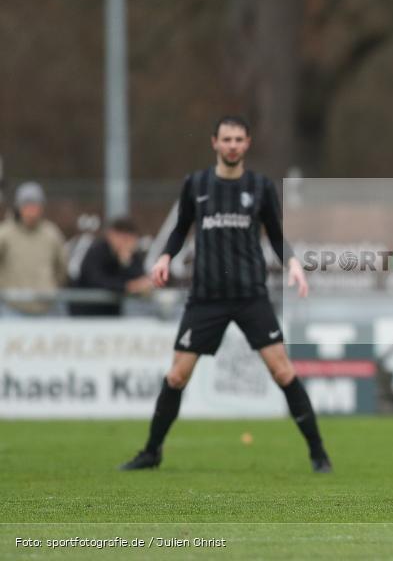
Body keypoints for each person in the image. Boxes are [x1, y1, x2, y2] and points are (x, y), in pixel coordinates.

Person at [120, 115, 331, 473]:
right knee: (176, 377)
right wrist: (165, 257)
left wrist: (293, 263)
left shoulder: (260, 187)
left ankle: (318, 453)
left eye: (238, 139)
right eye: (226, 139)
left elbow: (276, 235)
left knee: (282, 371)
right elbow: (180, 228)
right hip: (206, 297)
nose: (232, 145)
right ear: (214, 143)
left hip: (250, 296)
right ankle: (151, 452)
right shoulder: (196, 184)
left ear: (247, 144)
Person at [0, 181, 67, 315]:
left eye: (35, 205)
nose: (31, 210)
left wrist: (49, 288)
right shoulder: (5, 234)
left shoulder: (52, 233)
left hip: (48, 308)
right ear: (18, 207)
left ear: (42, 207)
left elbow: (61, 268)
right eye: (27, 205)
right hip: (12, 308)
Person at [69, 217, 152, 316]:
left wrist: (125, 261)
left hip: (114, 314)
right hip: (86, 312)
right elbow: (95, 280)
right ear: (111, 235)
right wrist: (126, 286)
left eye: (129, 238)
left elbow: (140, 280)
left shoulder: (133, 255)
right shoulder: (97, 251)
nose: (124, 242)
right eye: (122, 237)